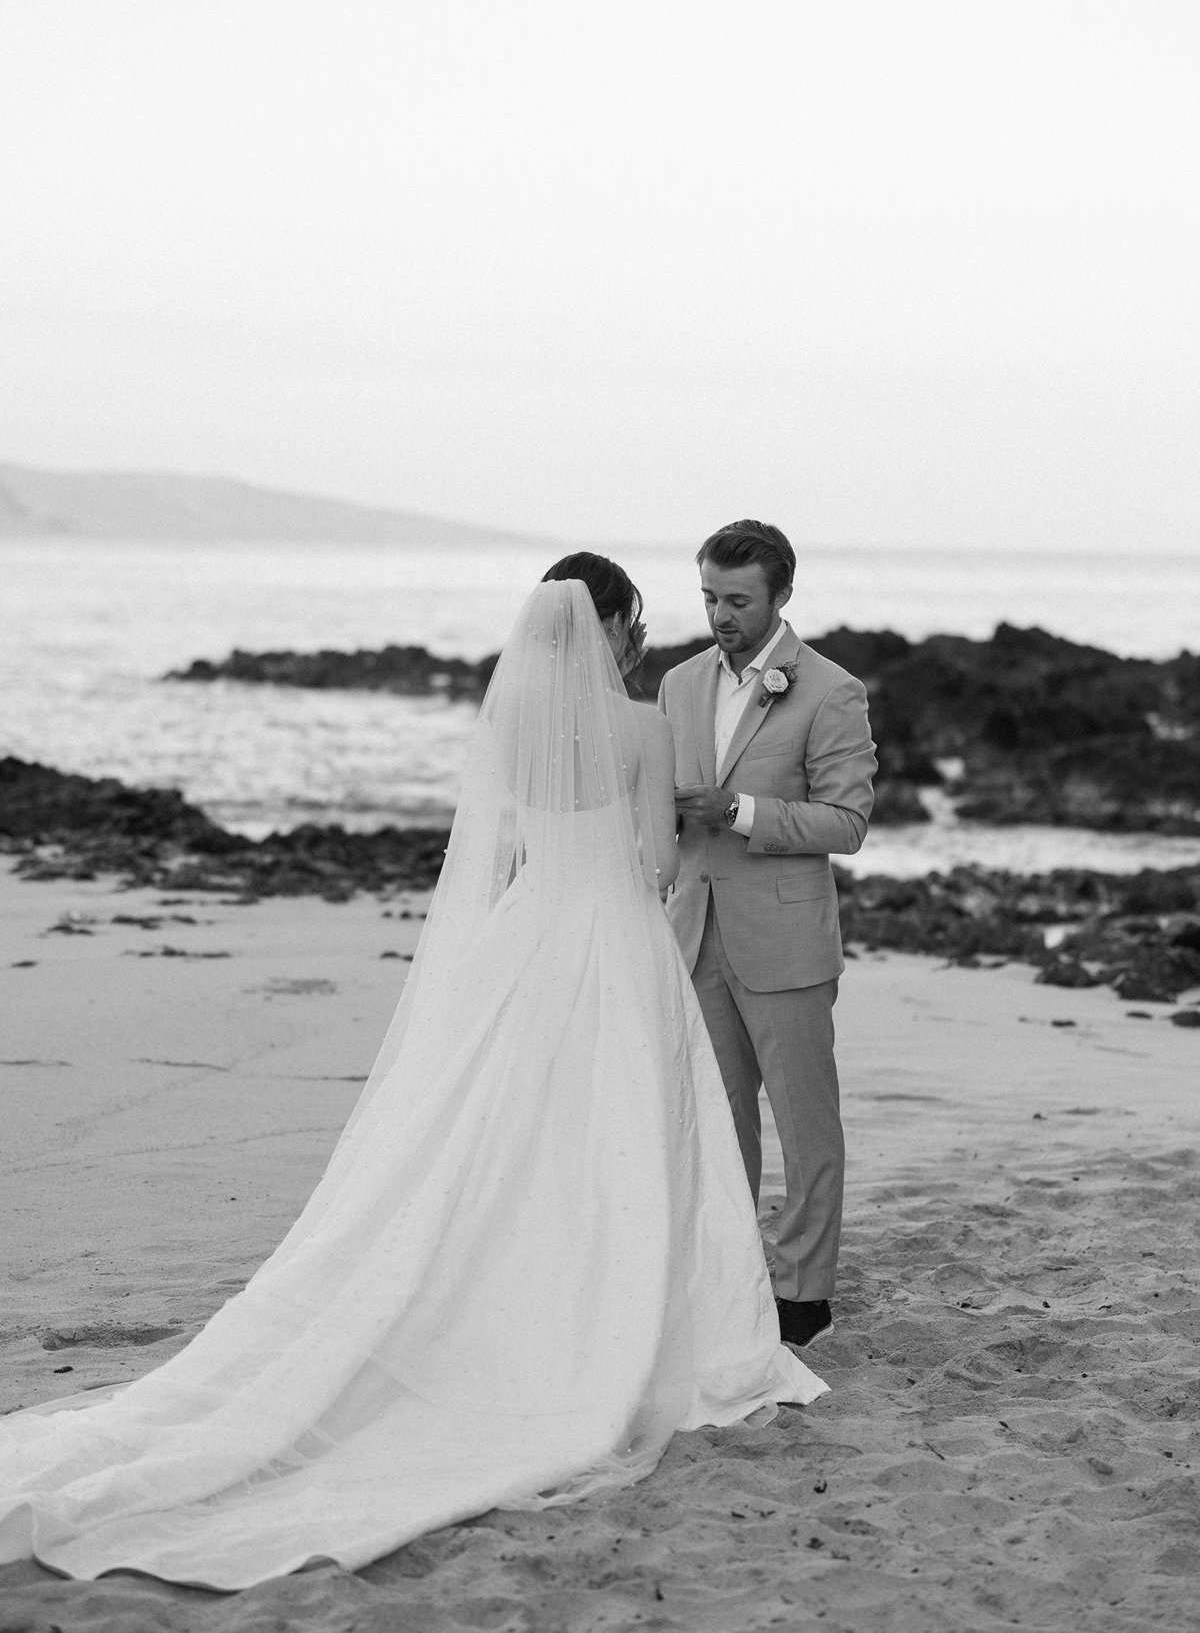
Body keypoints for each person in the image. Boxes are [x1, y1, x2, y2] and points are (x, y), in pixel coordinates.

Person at [0, 561, 826, 1592]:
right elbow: (658, 862)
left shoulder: (513, 727)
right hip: (612, 947)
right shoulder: (644, 727)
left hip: (526, 944)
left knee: (500, 1137)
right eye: (634, 621)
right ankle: (608, 1309)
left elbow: (504, 851)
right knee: (613, 1135)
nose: (637, 636)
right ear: (609, 625)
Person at [657, 522, 876, 1350]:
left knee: (805, 1123)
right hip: (696, 932)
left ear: (781, 596)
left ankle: (804, 1292)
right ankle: (733, 1272)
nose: (721, 614)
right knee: (718, 1123)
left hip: (783, 941)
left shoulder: (830, 690)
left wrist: (742, 811)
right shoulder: (678, 684)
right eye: (710, 596)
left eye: (738, 600)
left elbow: (848, 820)